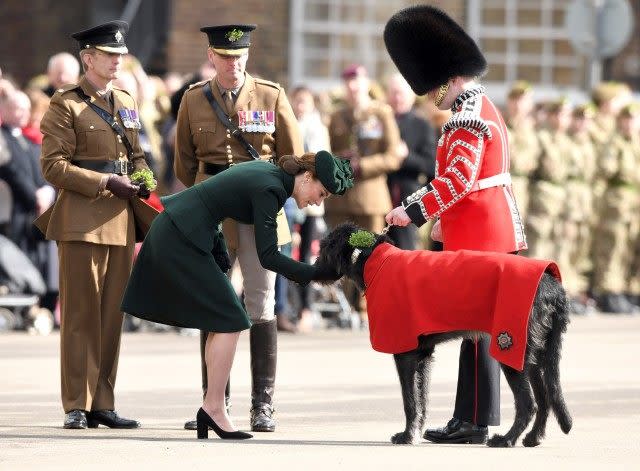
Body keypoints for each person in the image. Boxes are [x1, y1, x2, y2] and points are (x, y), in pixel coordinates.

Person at [121, 152, 352, 439]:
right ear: (307, 178)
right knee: (231, 318)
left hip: (185, 229)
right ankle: (214, 408)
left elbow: (216, 199)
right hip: (182, 234)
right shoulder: (272, 188)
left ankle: (213, 406)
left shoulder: (271, 176)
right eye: (322, 192)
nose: (319, 201)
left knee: (226, 318)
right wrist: (315, 274)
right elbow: (268, 256)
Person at [383, 5, 527, 444]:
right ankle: (472, 417)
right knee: (476, 328)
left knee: (479, 329)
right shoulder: (479, 106)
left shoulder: (467, 116)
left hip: (481, 229)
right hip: (483, 225)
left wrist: (413, 211)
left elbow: (458, 179)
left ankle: (475, 420)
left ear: (451, 78)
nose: (430, 98)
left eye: (432, 89)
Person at [173, 24, 304, 432]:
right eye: (225, 58)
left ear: (248, 57)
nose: (233, 65)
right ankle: (215, 401)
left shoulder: (271, 95)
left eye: (240, 58)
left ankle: (262, 404)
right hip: (211, 211)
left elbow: (294, 159)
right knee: (212, 303)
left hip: (256, 211)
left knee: (262, 304)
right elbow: (183, 162)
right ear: (211, 57)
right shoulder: (193, 99)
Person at [34, 21, 158, 430]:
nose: (118, 59)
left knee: (111, 316)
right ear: (88, 59)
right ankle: (76, 402)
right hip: (81, 221)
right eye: (110, 54)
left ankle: (103, 401)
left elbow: (136, 153)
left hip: (121, 220)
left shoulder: (124, 98)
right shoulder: (65, 104)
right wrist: (105, 181)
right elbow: (53, 167)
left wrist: (143, 177)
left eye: (120, 54)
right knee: (81, 317)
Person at [324, 64, 403, 325]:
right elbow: (326, 153)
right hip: (341, 199)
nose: (352, 86)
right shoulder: (336, 116)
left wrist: (363, 165)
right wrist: (340, 161)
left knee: (369, 251)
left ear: (366, 81)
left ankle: (368, 307)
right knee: (341, 252)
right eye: (348, 81)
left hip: (370, 198)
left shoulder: (381, 114)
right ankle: (346, 309)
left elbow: (393, 156)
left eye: (356, 80)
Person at [385, 72, 436, 250]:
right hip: (381, 196)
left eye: (401, 93)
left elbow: (431, 165)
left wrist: (407, 157)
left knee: (406, 252)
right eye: (393, 93)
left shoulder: (422, 125)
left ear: (411, 95)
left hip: (408, 199)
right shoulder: (382, 121)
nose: (397, 98)